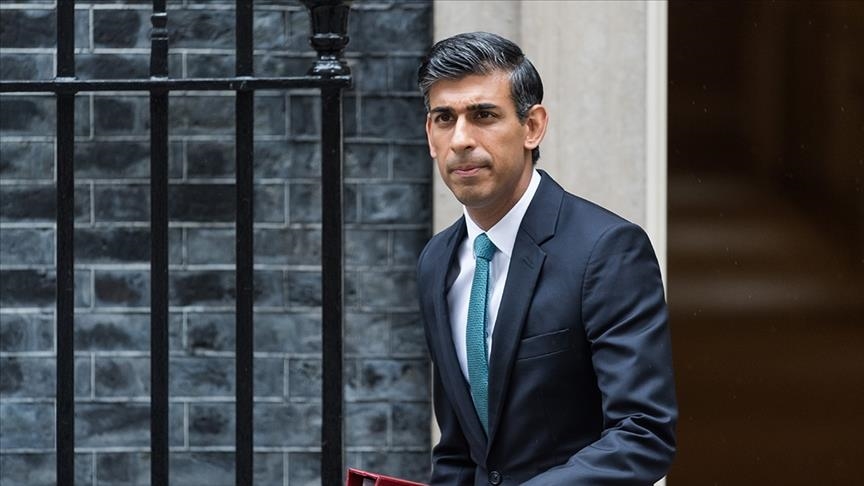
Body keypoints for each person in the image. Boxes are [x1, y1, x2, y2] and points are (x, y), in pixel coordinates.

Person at [415, 32, 677, 485]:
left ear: (532, 127)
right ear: (430, 136)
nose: (460, 139)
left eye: (483, 115)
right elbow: (460, 450)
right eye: (444, 118)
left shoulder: (607, 250)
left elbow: (643, 433)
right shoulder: (437, 261)